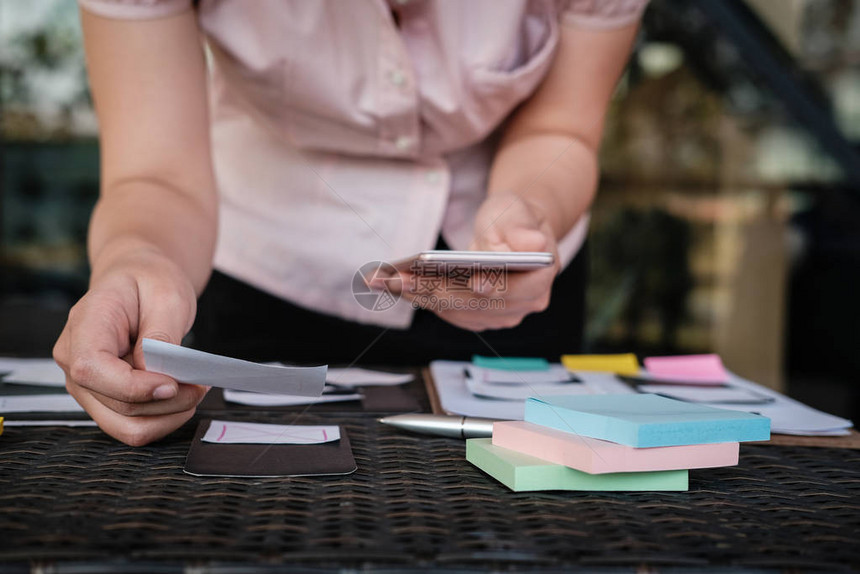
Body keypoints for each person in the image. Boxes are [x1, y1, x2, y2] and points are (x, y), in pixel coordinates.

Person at [54, 0, 648, 446]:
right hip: (263, 265)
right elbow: (156, 175)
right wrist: (138, 260)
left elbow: (562, 131)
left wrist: (527, 215)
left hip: (505, 276)